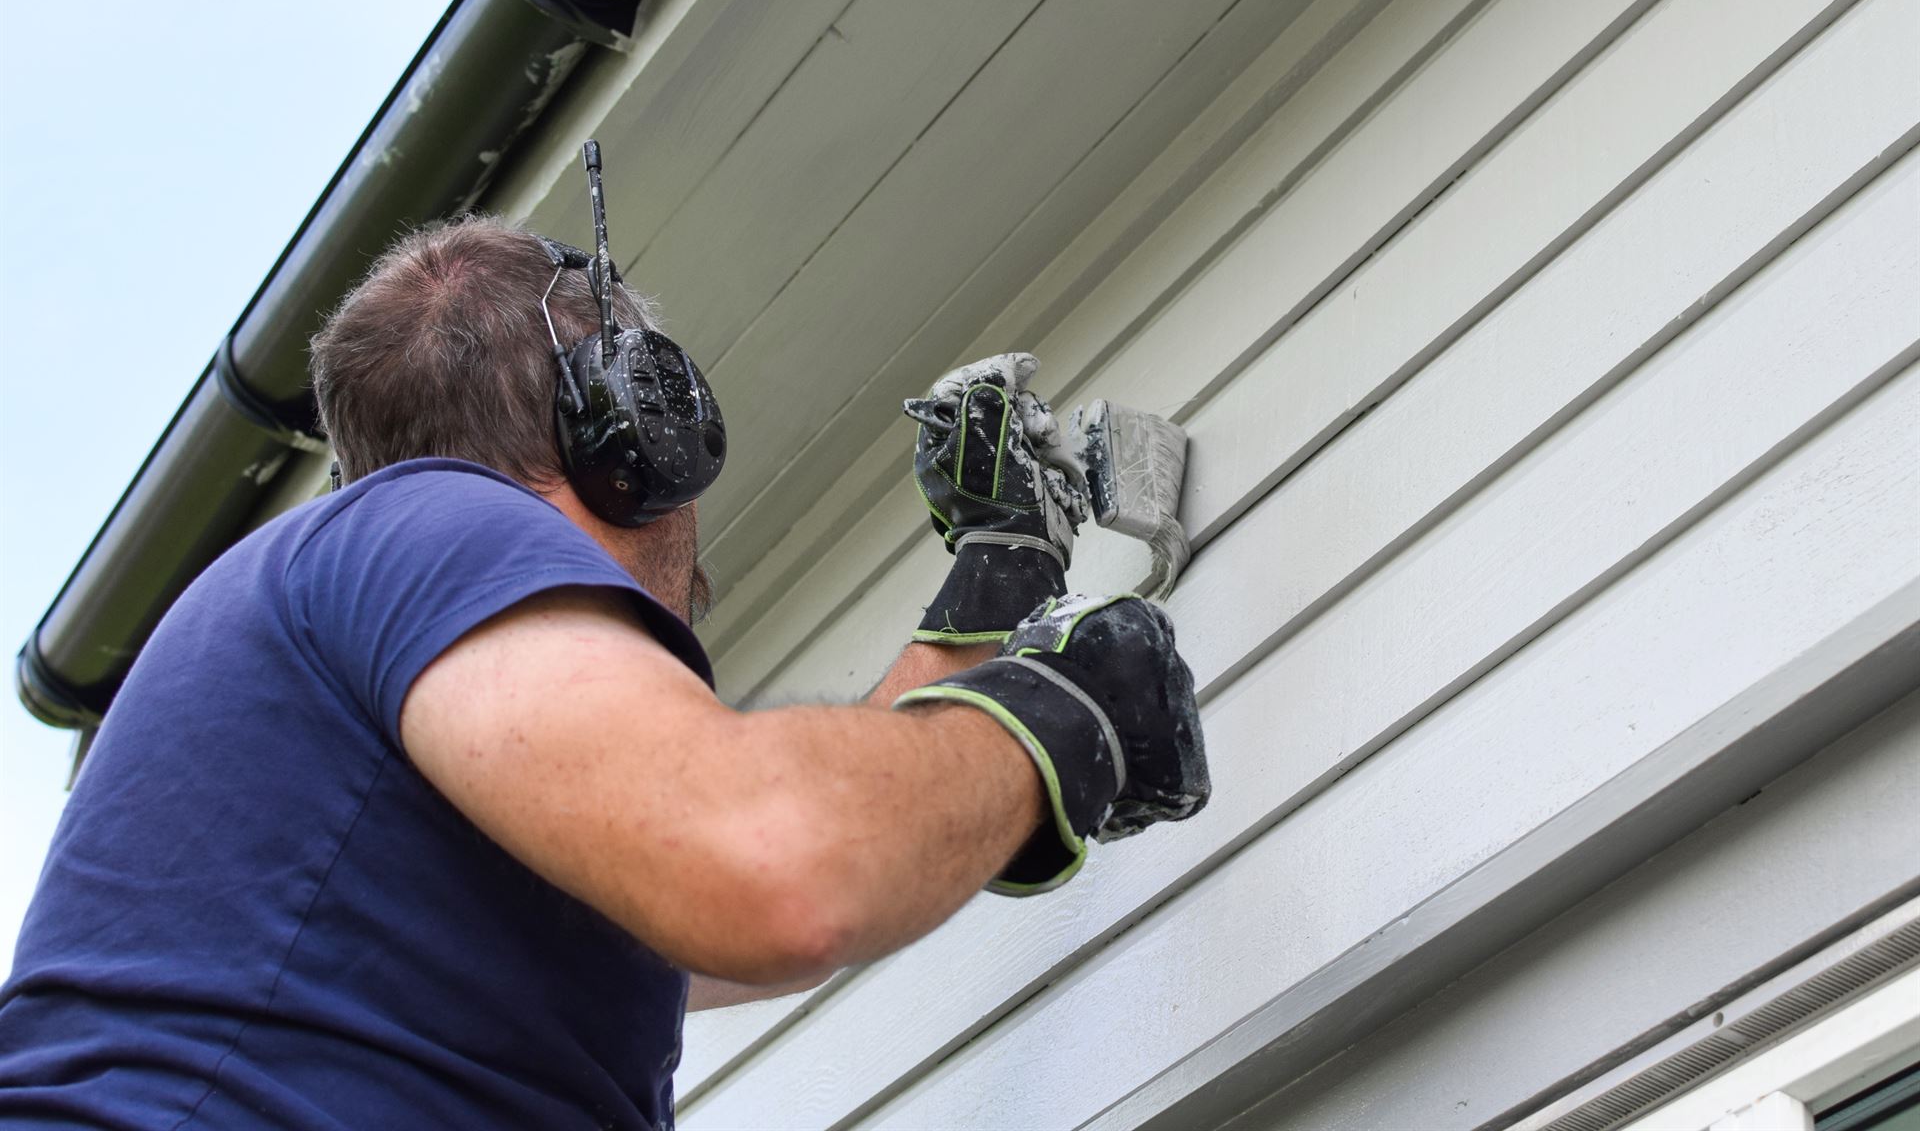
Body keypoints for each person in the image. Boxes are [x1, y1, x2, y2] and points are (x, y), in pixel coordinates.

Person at [0, 214, 1208, 1129]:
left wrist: (997, 590)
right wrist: (1059, 716)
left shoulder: (415, 689)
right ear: (643, 427)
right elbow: (784, 869)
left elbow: (754, 897)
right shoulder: (429, 526)